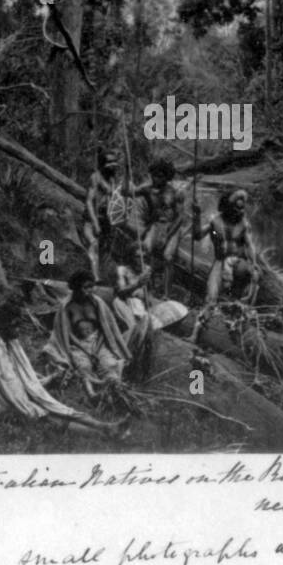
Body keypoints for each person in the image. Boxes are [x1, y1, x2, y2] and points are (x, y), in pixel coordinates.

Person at [0, 296, 124, 438]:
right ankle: (105, 434)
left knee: (61, 409)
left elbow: (24, 376)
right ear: (4, 325)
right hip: (5, 403)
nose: (19, 329)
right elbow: (7, 385)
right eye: (15, 325)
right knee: (52, 418)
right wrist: (31, 406)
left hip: (18, 395)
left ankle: (106, 426)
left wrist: (49, 380)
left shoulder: (10, 342)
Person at [42, 270, 133, 392]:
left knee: (109, 364)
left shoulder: (97, 303)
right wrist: (85, 350)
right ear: (77, 288)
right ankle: (93, 391)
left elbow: (104, 328)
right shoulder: (67, 307)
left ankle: (115, 386)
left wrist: (96, 348)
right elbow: (67, 333)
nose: (89, 290)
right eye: (86, 287)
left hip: (98, 341)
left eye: (91, 287)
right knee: (84, 366)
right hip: (78, 344)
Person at [191, 189, 260, 309]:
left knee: (244, 284)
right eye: (236, 208)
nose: (240, 212)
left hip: (239, 262)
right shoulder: (215, 222)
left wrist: (254, 264)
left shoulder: (244, 224)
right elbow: (197, 236)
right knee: (211, 295)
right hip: (220, 261)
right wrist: (196, 216)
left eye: (242, 208)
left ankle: (238, 310)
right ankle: (212, 313)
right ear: (228, 207)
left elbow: (249, 245)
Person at [135, 158, 186, 297]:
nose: (156, 179)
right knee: (144, 251)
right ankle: (148, 289)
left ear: (166, 176)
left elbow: (180, 217)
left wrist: (168, 235)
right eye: (154, 175)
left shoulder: (175, 193)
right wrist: (127, 171)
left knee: (168, 257)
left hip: (172, 226)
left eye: (160, 175)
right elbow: (128, 192)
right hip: (156, 225)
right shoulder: (147, 189)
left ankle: (166, 294)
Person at [78, 150, 127, 283]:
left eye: (114, 162)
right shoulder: (96, 177)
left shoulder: (112, 179)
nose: (112, 165)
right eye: (109, 162)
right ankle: (95, 278)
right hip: (91, 219)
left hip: (106, 220)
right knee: (93, 244)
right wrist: (95, 223)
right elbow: (89, 201)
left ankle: (100, 277)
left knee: (104, 250)